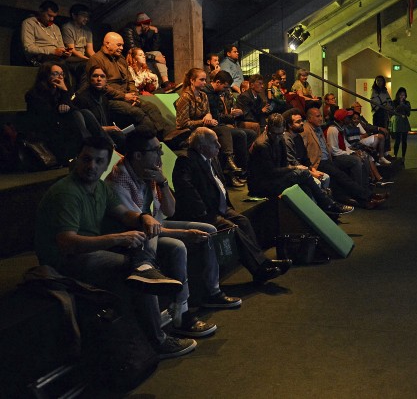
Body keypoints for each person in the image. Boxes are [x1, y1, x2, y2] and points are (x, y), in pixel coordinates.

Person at [35, 136, 196, 359]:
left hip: (91, 250)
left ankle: (146, 269)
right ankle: (158, 341)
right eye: (86, 159)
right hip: (64, 261)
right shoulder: (67, 193)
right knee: (135, 273)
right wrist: (117, 239)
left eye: (99, 161)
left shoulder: (100, 187)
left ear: (106, 164)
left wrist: (142, 218)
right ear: (76, 160)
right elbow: (68, 243)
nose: (92, 166)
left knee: (144, 238)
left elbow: (123, 214)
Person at [106, 128, 241, 336]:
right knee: (178, 245)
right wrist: (184, 234)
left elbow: (170, 211)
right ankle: (182, 313)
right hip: (137, 238)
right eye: (156, 150)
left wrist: (163, 182)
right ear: (138, 155)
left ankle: (212, 293)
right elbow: (144, 226)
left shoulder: (149, 172)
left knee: (209, 229)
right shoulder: (119, 180)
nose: (161, 155)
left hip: (155, 228)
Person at [172, 127, 291, 283]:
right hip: (202, 212)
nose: (219, 146)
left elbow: (219, 183)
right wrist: (203, 212)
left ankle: (262, 262)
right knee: (232, 229)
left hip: (219, 207)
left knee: (243, 221)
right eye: (214, 143)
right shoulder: (186, 160)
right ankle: (260, 268)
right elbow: (186, 190)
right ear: (201, 146)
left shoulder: (212, 157)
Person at [249, 113, 353, 215]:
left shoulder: (280, 138)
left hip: (275, 176)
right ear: (267, 129)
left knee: (305, 186)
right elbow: (270, 172)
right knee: (303, 174)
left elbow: (283, 163)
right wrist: (294, 168)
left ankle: (318, 215)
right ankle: (328, 205)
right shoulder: (262, 145)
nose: (277, 137)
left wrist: (293, 168)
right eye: (274, 134)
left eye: (280, 133)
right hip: (262, 184)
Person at [84, 32, 177, 142]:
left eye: (122, 45)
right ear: (107, 43)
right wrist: (124, 96)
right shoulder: (96, 59)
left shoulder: (121, 59)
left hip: (129, 96)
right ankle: (154, 139)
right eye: (119, 45)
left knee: (151, 107)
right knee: (137, 113)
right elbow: (102, 86)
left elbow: (130, 79)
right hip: (111, 99)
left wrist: (133, 94)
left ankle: (168, 135)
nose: (122, 48)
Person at [301, 107, 386, 209]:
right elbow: (305, 150)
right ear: (309, 118)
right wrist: (310, 167)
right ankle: (368, 196)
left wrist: (352, 152)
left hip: (327, 159)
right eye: (318, 116)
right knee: (343, 175)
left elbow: (334, 146)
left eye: (321, 116)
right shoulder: (306, 129)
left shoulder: (319, 128)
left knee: (343, 176)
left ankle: (365, 199)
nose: (321, 118)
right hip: (318, 162)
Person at [23, 62, 107, 165]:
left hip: (62, 127)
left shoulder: (61, 91)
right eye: (55, 73)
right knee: (76, 114)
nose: (60, 77)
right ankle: (89, 148)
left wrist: (64, 92)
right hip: (47, 133)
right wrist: (64, 94)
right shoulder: (34, 95)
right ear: (46, 75)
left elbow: (73, 107)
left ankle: (108, 146)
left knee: (84, 112)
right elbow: (48, 118)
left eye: (62, 74)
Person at [175, 68, 245, 187]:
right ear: (192, 81)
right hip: (191, 131)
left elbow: (208, 112)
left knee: (235, 133)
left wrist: (208, 116)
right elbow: (181, 124)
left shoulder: (203, 95)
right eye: (201, 80)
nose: (204, 82)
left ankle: (234, 170)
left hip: (205, 127)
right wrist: (202, 120)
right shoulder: (185, 98)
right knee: (223, 130)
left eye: (205, 80)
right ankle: (229, 167)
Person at [21, 0, 85, 87]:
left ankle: (79, 93)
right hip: (39, 57)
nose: (51, 19)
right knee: (61, 65)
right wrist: (53, 51)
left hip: (57, 56)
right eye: (49, 15)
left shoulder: (55, 27)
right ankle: (67, 93)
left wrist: (65, 52)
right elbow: (28, 48)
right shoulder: (29, 23)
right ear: (40, 11)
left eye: (54, 17)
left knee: (83, 65)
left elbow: (61, 47)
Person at [202, 69, 254, 169]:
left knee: (251, 134)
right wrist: (231, 117)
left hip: (221, 123)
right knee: (240, 134)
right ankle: (237, 167)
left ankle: (246, 165)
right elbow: (216, 116)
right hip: (213, 125)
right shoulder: (206, 93)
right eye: (225, 87)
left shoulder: (218, 93)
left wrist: (236, 113)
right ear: (217, 82)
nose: (226, 90)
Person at [73, 65, 127, 152]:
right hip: (91, 138)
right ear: (89, 79)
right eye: (95, 76)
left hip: (106, 135)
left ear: (106, 81)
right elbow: (84, 128)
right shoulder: (81, 99)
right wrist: (108, 128)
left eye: (102, 76)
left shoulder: (104, 99)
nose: (99, 79)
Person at [122, 13, 174, 90]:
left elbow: (154, 48)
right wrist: (155, 57)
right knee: (156, 56)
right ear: (142, 24)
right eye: (148, 24)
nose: (149, 26)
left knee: (158, 54)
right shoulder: (129, 31)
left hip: (141, 53)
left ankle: (166, 83)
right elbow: (133, 51)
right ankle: (165, 83)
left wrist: (156, 33)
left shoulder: (144, 34)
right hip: (130, 55)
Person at [369, 75, 393, 154]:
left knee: (386, 132)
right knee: (378, 132)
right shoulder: (374, 91)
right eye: (378, 81)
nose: (379, 82)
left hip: (384, 114)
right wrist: (381, 106)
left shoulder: (385, 91)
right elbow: (373, 101)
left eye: (381, 81)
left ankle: (385, 152)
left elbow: (389, 101)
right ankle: (378, 152)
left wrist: (388, 107)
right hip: (378, 114)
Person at [391, 87, 411, 159]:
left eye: (403, 95)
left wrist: (404, 106)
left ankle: (403, 156)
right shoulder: (394, 102)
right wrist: (400, 105)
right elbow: (393, 111)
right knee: (397, 140)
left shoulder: (407, 103)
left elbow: (408, 113)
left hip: (404, 121)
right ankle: (395, 155)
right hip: (397, 121)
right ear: (398, 95)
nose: (402, 96)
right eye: (400, 95)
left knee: (404, 140)